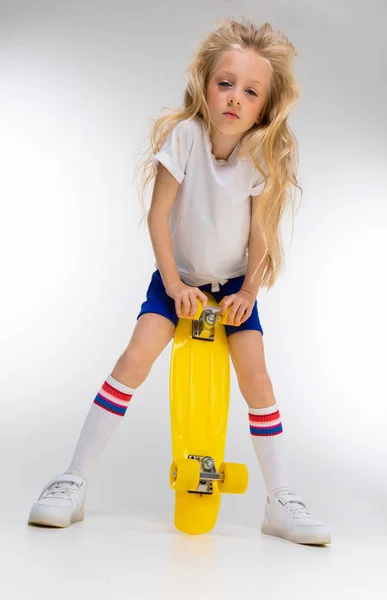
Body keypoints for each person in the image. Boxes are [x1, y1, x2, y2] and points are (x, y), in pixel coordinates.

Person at [28, 17, 331, 545]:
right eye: (225, 83)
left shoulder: (261, 153)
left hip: (232, 287)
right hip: (179, 280)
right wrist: (172, 285)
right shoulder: (185, 137)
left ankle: (279, 499)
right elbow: (158, 214)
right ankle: (73, 479)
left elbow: (261, 236)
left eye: (250, 91)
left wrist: (248, 294)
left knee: (257, 376)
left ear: (266, 105)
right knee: (134, 358)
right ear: (205, 85)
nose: (235, 98)